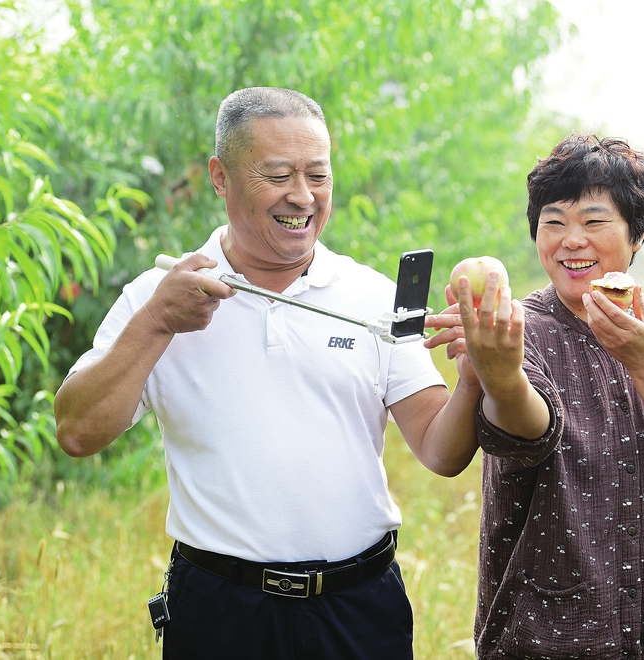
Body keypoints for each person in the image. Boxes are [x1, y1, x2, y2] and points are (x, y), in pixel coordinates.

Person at [54, 87, 482, 659]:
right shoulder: (161, 296)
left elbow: (440, 451)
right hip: (220, 610)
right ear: (221, 177)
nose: (303, 196)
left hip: (358, 609)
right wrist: (158, 322)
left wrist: (479, 375)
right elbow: (77, 431)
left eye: (318, 175)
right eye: (278, 174)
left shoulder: (377, 294)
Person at [425, 133, 644, 660]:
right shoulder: (519, 328)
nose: (571, 240)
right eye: (553, 223)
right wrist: (499, 374)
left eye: (593, 222)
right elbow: (528, 432)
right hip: (549, 636)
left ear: (636, 236)